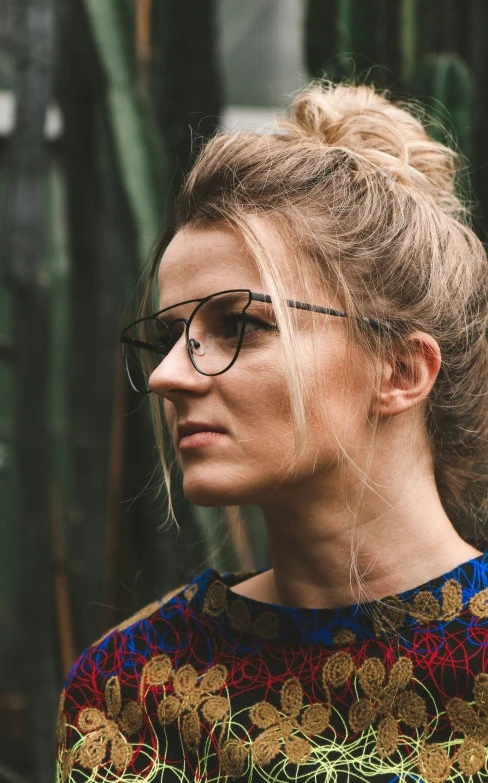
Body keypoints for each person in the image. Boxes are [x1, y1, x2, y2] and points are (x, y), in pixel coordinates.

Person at [56, 81, 488, 783]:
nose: (168, 374)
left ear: (401, 370)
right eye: (171, 335)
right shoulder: (135, 689)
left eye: (239, 325)